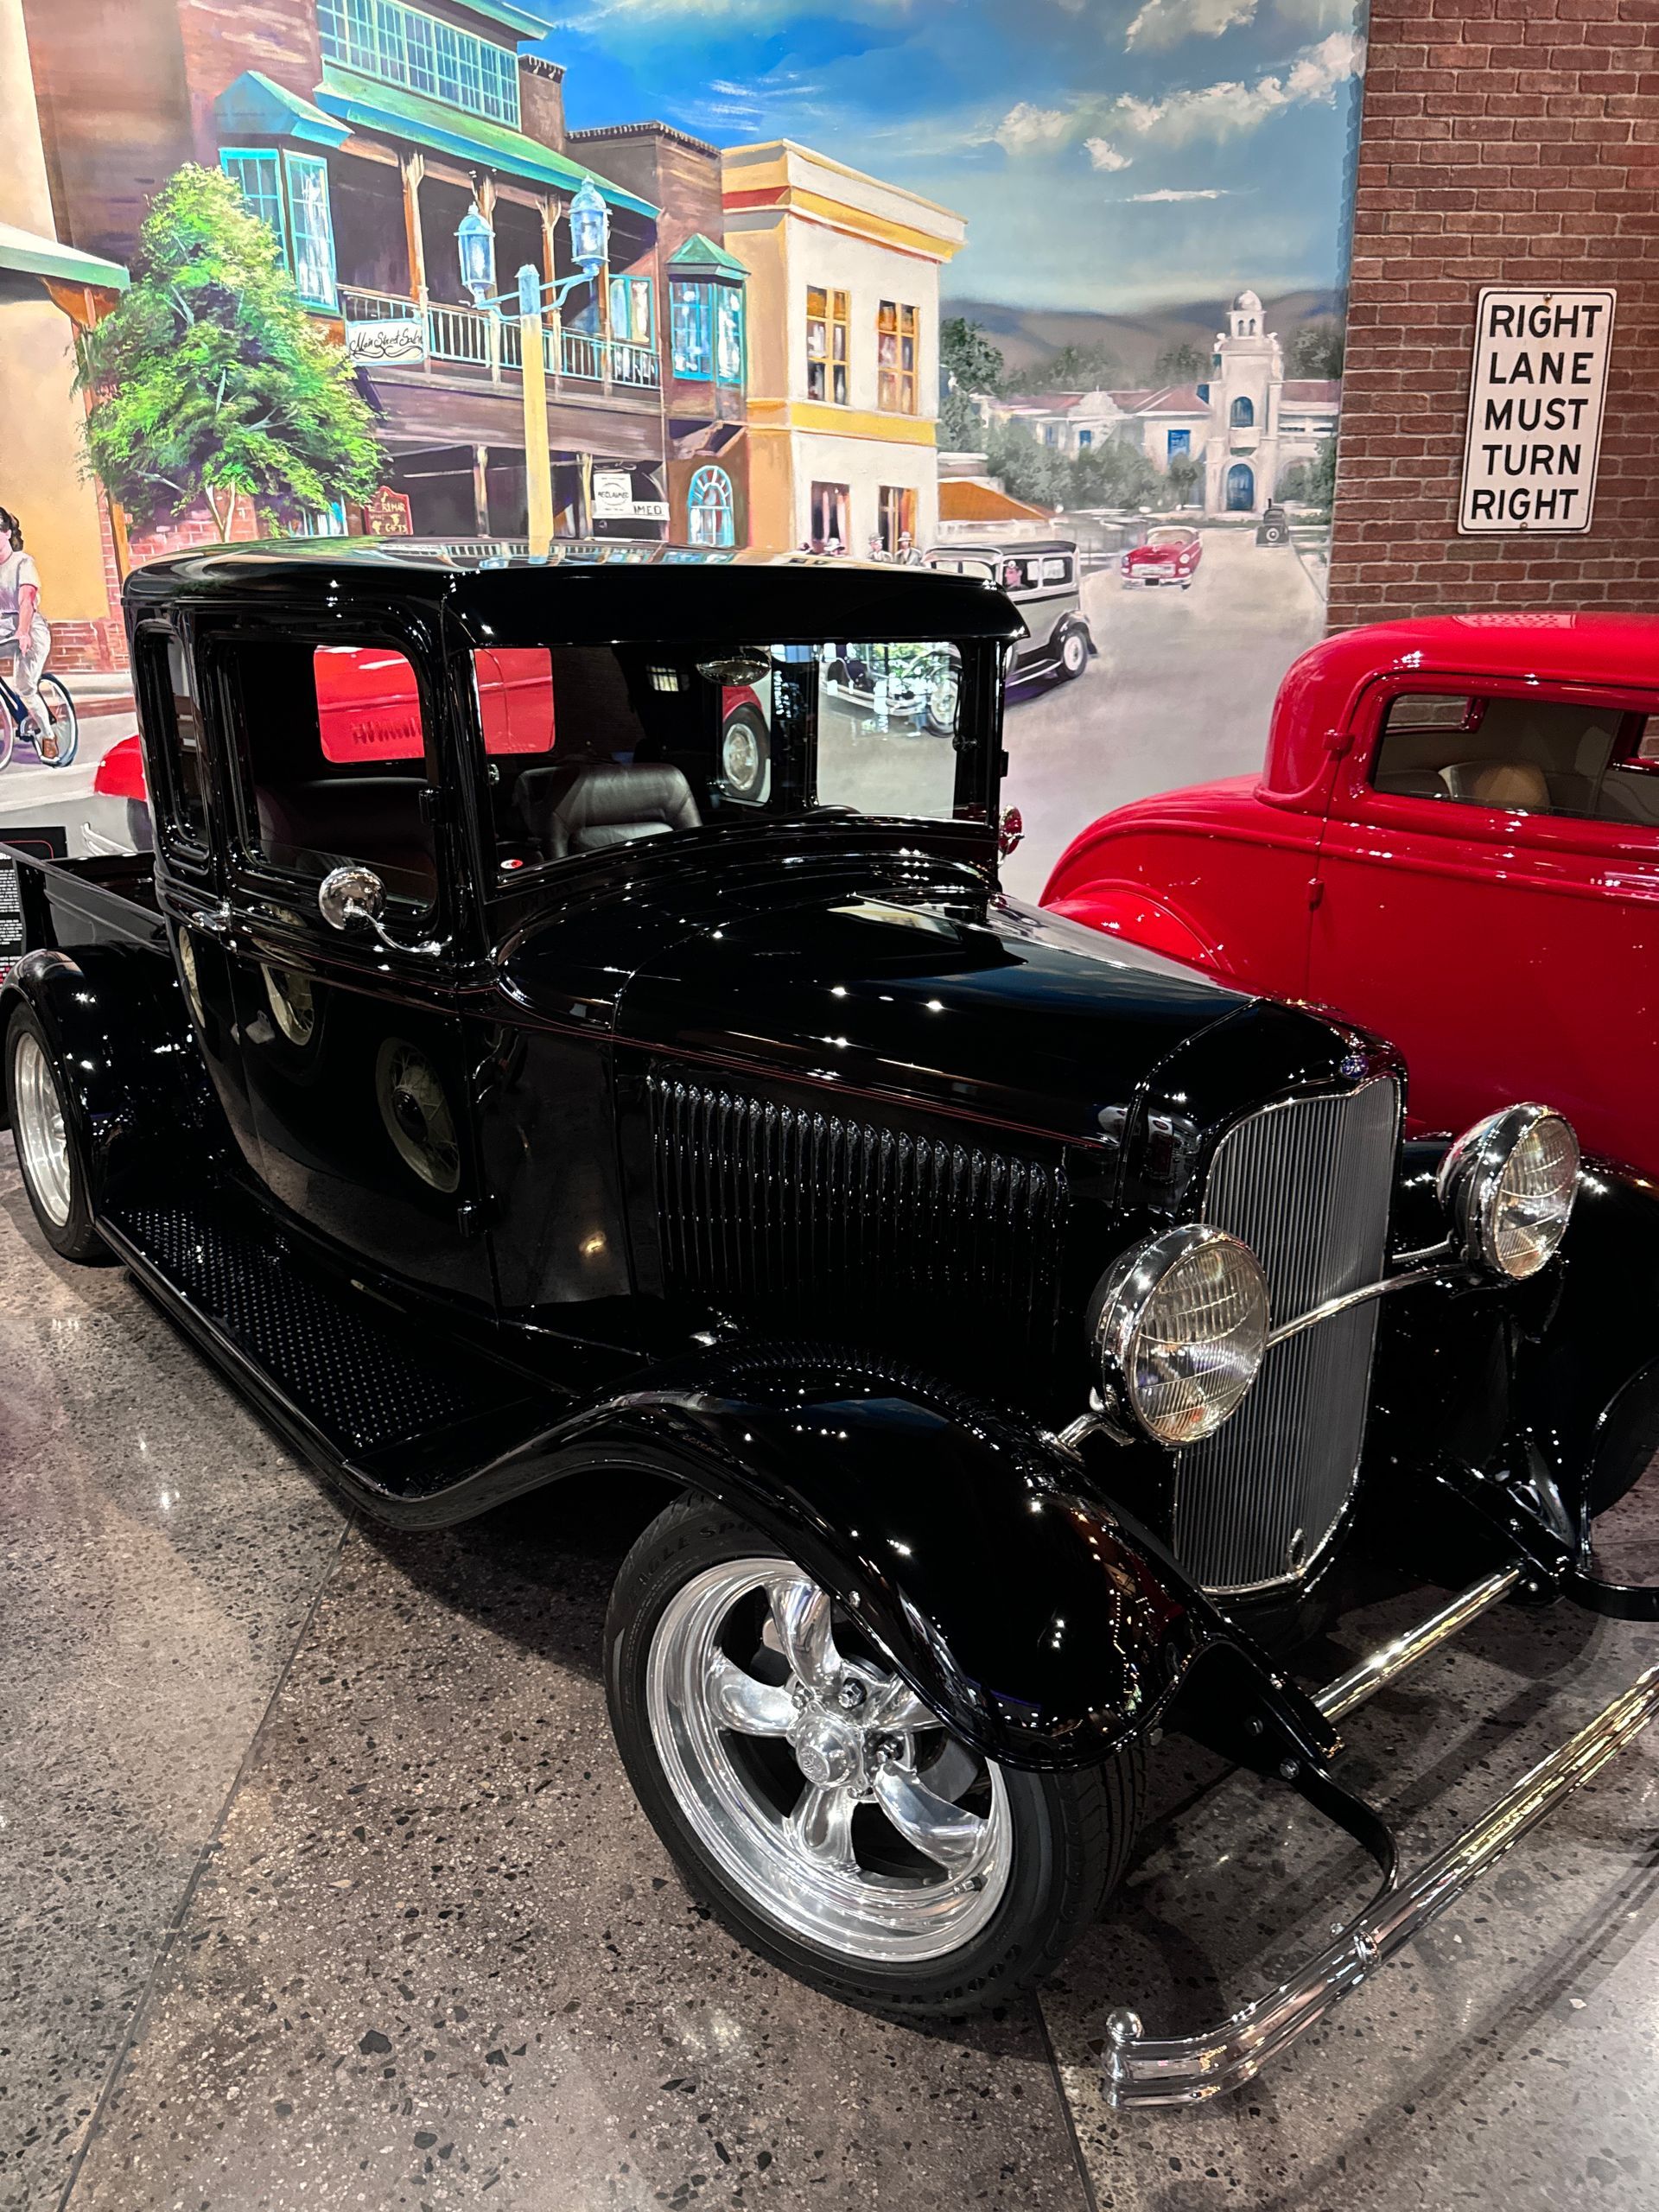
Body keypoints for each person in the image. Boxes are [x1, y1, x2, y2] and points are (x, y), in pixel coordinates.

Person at [0, 508, 55, 759]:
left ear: (7, 533)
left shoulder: (22, 562)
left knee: (24, 687)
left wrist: (23, 632)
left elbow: (27, 601)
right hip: (3, 629)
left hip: (30, 627)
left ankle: (48, 737)